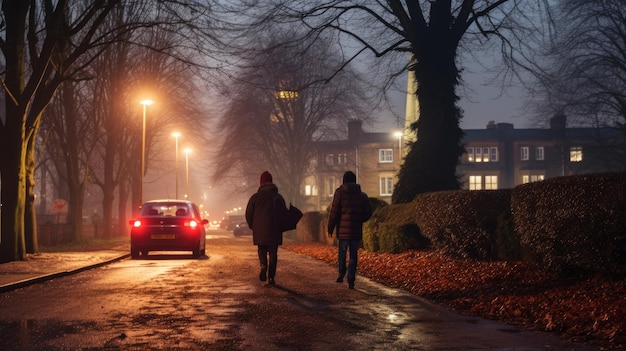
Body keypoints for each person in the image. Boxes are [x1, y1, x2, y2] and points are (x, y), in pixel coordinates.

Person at [327, 171, 373, 289]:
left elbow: (334, 212)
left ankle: (342, 270)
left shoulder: (340, 193)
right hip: (356, 231)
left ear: (344, 180)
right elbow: (368, 212)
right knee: (353, 255)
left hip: (343, 231)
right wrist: (359, 219)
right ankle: (351, 279)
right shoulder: (362, 196)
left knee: (342, 252)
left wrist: (330, 227)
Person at [245, 171, 288, 285]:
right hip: (275, 230)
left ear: (261, 182)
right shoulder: (278, 197)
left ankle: (263, 266)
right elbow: (284, 214)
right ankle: (271, 277)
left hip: (260, 230)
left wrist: (253, 226)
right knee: (273, 253)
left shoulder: (255, 197)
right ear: (271, 182)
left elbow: (248, 214)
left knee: (262, 250)